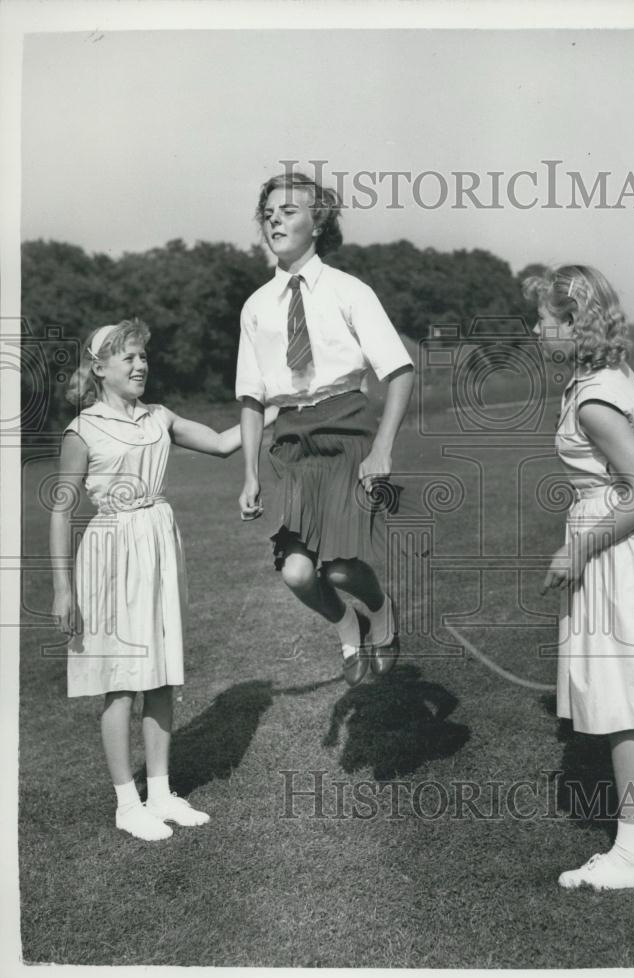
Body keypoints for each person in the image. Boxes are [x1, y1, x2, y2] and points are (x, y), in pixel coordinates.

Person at [526, 265, 634, 890]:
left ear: (574, 323)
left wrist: (579, 549)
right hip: (628, 543)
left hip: (617, 547)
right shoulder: (600, 379)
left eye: (545, 322)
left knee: (624, 698)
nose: (538, 332)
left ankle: (630, 852)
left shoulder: (595, 398)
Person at [50, 319, 242, 842]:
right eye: (128, 358)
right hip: (110, 552)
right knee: (120, 682)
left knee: (160, 674)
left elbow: (226, 442)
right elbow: (61, 512)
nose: (140, 365)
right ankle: (126, 804)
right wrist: (63, 589)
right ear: (100, 368)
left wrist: (273, 404)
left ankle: (160, 793)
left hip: (158, 544)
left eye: (142, 357)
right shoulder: (82, 429)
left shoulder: (160, 417)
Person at [236, 171, 414, 687]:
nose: (275, 219)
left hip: (348, 431)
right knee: (296, 573)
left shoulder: (348, 291)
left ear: (318, 222)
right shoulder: (255, 307)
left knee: (338, 568)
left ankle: (380, 613)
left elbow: (399, 371)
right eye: (268, 213)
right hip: (291, 439)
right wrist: (249, 473)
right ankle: (346, 622)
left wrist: (381, 449)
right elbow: (251, 396)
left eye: (288, 210)